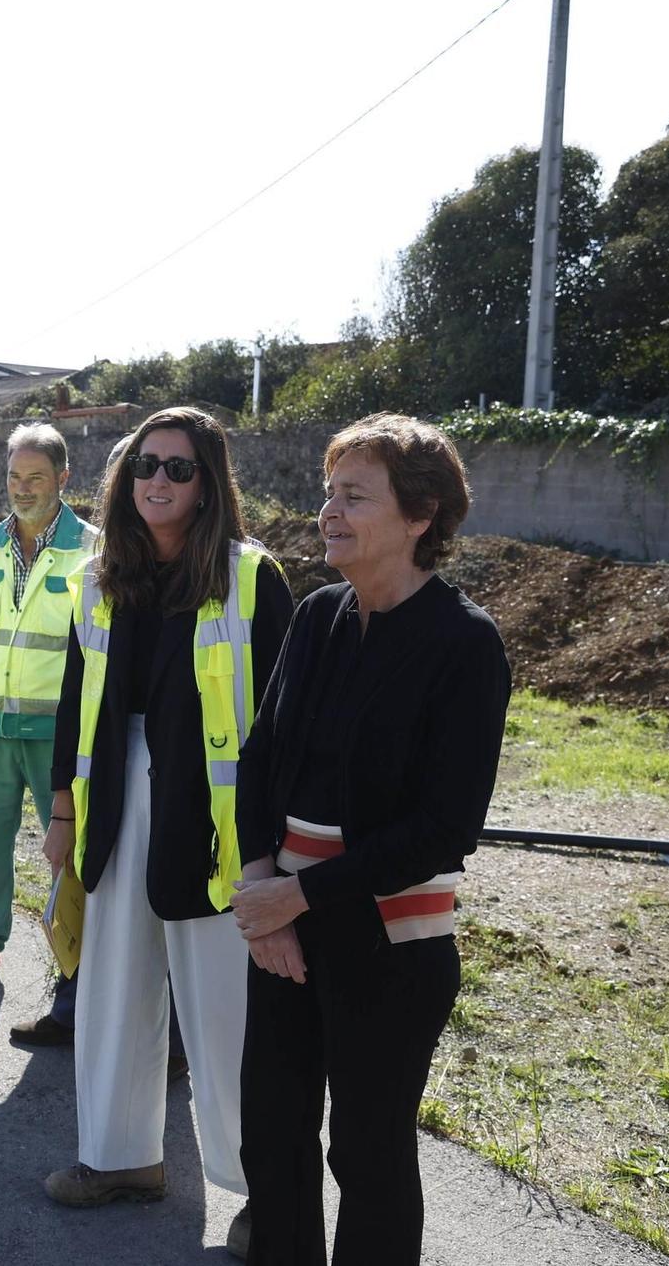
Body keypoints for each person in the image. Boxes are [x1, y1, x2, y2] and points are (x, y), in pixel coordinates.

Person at [231, 413, 511, 1266]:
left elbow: (444, 826)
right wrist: (262, 896)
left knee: (367, 1152)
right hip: (282, 927)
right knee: (273, 1143)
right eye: (329, 492)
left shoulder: (464, 643)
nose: (329, 511)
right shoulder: (317, 617)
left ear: (421, 514)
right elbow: (258, 761)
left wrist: (298, 894)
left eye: (354, 495)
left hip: (388, 941)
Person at [40, 407, 292, 1264]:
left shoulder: (252, 578)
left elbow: (279, 724)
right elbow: (75, 703)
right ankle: (121, 1159)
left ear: (210, 481)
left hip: (217, 820)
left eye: (179, 468)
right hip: (114, 798)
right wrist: (64, 814)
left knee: (225, 1011)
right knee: (112, 985)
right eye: (145, 464)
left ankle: (266, 1190)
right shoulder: (97, 575)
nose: (158, 479)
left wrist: (273, 841)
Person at [0, 425, 97, 1035]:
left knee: (69, 846)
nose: (22, 488)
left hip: (58, 728)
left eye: (36, 477)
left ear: (63, 479)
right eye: (14, 476)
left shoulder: (95, 549)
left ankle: (77, 959)